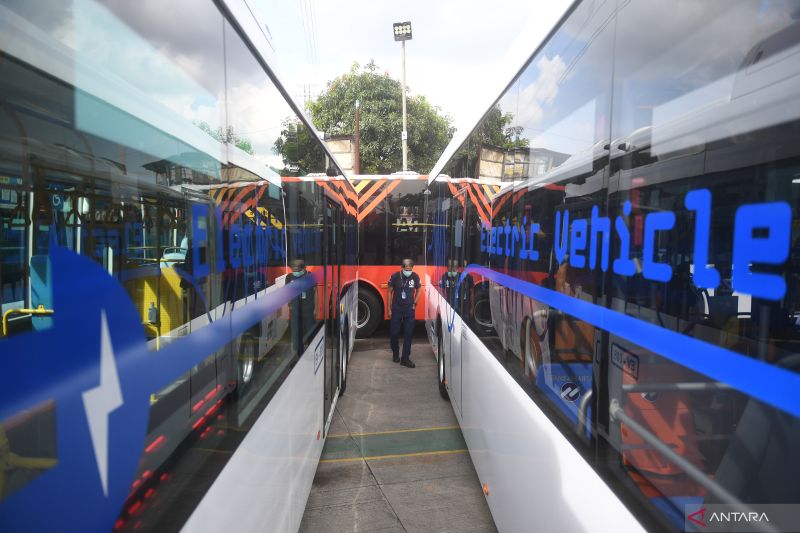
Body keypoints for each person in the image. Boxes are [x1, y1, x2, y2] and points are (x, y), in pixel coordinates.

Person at [387, 258, 420, 367]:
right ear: (402, 268)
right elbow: (389, 292)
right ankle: (395, 353)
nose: (408, 271)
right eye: (406, 269)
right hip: (397, 309)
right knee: (394, 333)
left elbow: (419, 289)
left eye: (410, 269)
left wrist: (415, 301)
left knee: (408, 334)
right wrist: (389, 309)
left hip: (409, 310)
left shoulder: (415, 276)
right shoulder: (395, 276)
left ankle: (405, 358)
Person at [286, 259, 315, 357]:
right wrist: (290, 305)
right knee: (296, 333)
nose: (295, 272)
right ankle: (298, 354)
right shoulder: (289, 277)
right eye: (293, 270)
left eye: (297, 270)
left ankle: (312, 352)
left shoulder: (310, 276)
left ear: (303, 268)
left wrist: (316, 308)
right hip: (295, 310)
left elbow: (316, 292)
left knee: (309, 329)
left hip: (308, 309)